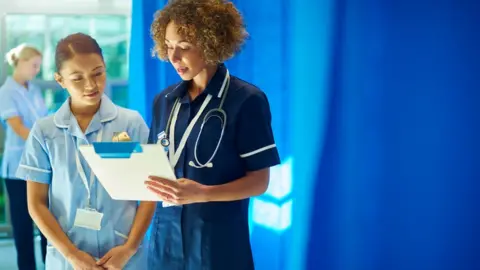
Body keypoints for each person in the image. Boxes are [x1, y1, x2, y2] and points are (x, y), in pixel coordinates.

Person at [144, 1, 281, 269]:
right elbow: (156, 165)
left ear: (211, 43)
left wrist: (203, 193)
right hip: (165, 243)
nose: (173, 57)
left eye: (184, 46)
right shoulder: (164, 100)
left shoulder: (246, 100)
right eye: (169, 46)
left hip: (217, 245)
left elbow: (259, 182)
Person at [15, 33, 156, 270]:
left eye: (97, 73)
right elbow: (36, 203)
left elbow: (150, 193)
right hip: (68, 258)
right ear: (60, 80)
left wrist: (130, 247)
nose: (91, 85)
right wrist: (71, 255)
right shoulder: (45, 131)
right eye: (77, 78)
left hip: (123, 255)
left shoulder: (130, 123)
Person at [0, 44, 48, 270]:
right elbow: (18, 127)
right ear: (20, 63)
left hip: (40, 165)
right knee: (22, 225)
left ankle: (52, 265)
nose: (36, 70)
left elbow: (44, 122)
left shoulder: (34, 89)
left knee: (47, 221)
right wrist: (47, 143)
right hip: (17, 167)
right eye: (34, 65)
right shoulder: (6, 92)